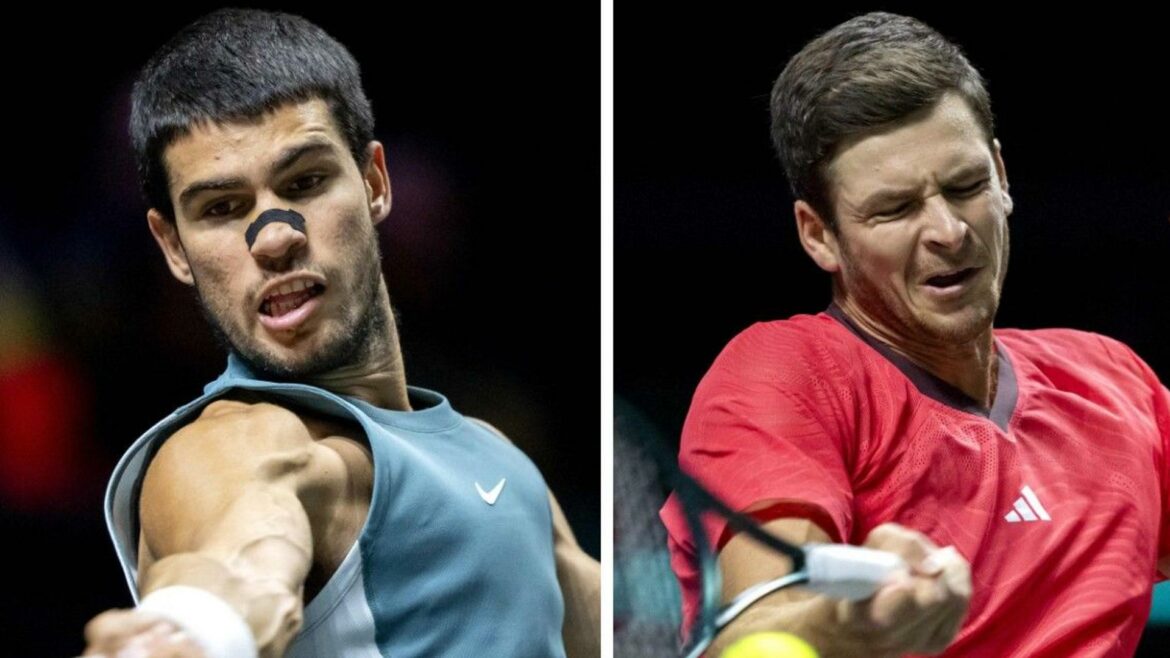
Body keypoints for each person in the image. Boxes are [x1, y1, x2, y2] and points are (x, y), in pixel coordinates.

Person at [81, 9, 599, 658]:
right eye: (220, 208)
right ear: (173, 247)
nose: (272, 236)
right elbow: (241, 563)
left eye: (305, 182)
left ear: (375, 183)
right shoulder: (231, 448)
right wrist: (193, 630)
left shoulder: (496, 457)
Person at [661, 11, 1170, 658]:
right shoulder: (784, 373)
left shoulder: (1111, 378)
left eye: (966, 187)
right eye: (895, 209)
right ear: (818, 234)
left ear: (1003, 176)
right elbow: (763, 629)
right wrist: (852, 627)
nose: (949, 231)